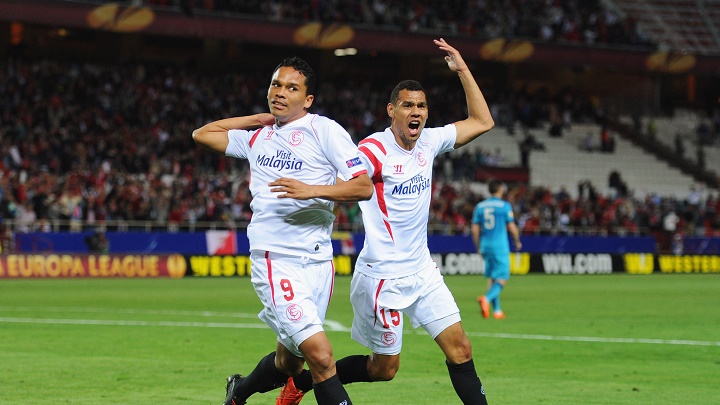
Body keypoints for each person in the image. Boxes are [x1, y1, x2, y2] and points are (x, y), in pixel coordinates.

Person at [276, 38, 495, 405]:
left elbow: (483, 121)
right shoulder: (372, 151)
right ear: (392, 110)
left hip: (422, 271)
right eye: (408, 105)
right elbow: (345, 182)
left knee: (461, 349)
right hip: (382, 278)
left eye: (422, 106)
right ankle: (306, 383)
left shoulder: (430, 142)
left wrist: (463, 71)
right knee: (384, 370)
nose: (416, 112)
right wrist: (307, 188)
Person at [192, 56, 373, 405]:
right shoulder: (258, 138)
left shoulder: (325, 131)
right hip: (275, 260)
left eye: (292, 87)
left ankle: (237, 393)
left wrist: (312, 190)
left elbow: (363, 187)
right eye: (276, 84)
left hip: (319, 263)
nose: (280, 92)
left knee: (289, 362)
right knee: (321, 357)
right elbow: (203, 134)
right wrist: (254, 120)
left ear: (307, 100)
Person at [471, 179, 522, 320]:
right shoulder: (504, 206)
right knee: (503, 277)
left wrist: (478, 246)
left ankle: (497, 311)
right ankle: (486, 299)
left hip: (486, 245)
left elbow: (475, 229)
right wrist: (517, 241)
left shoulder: (480, 206)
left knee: (492, 278)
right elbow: (511, 226)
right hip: (499, 246)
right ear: (500, 189)